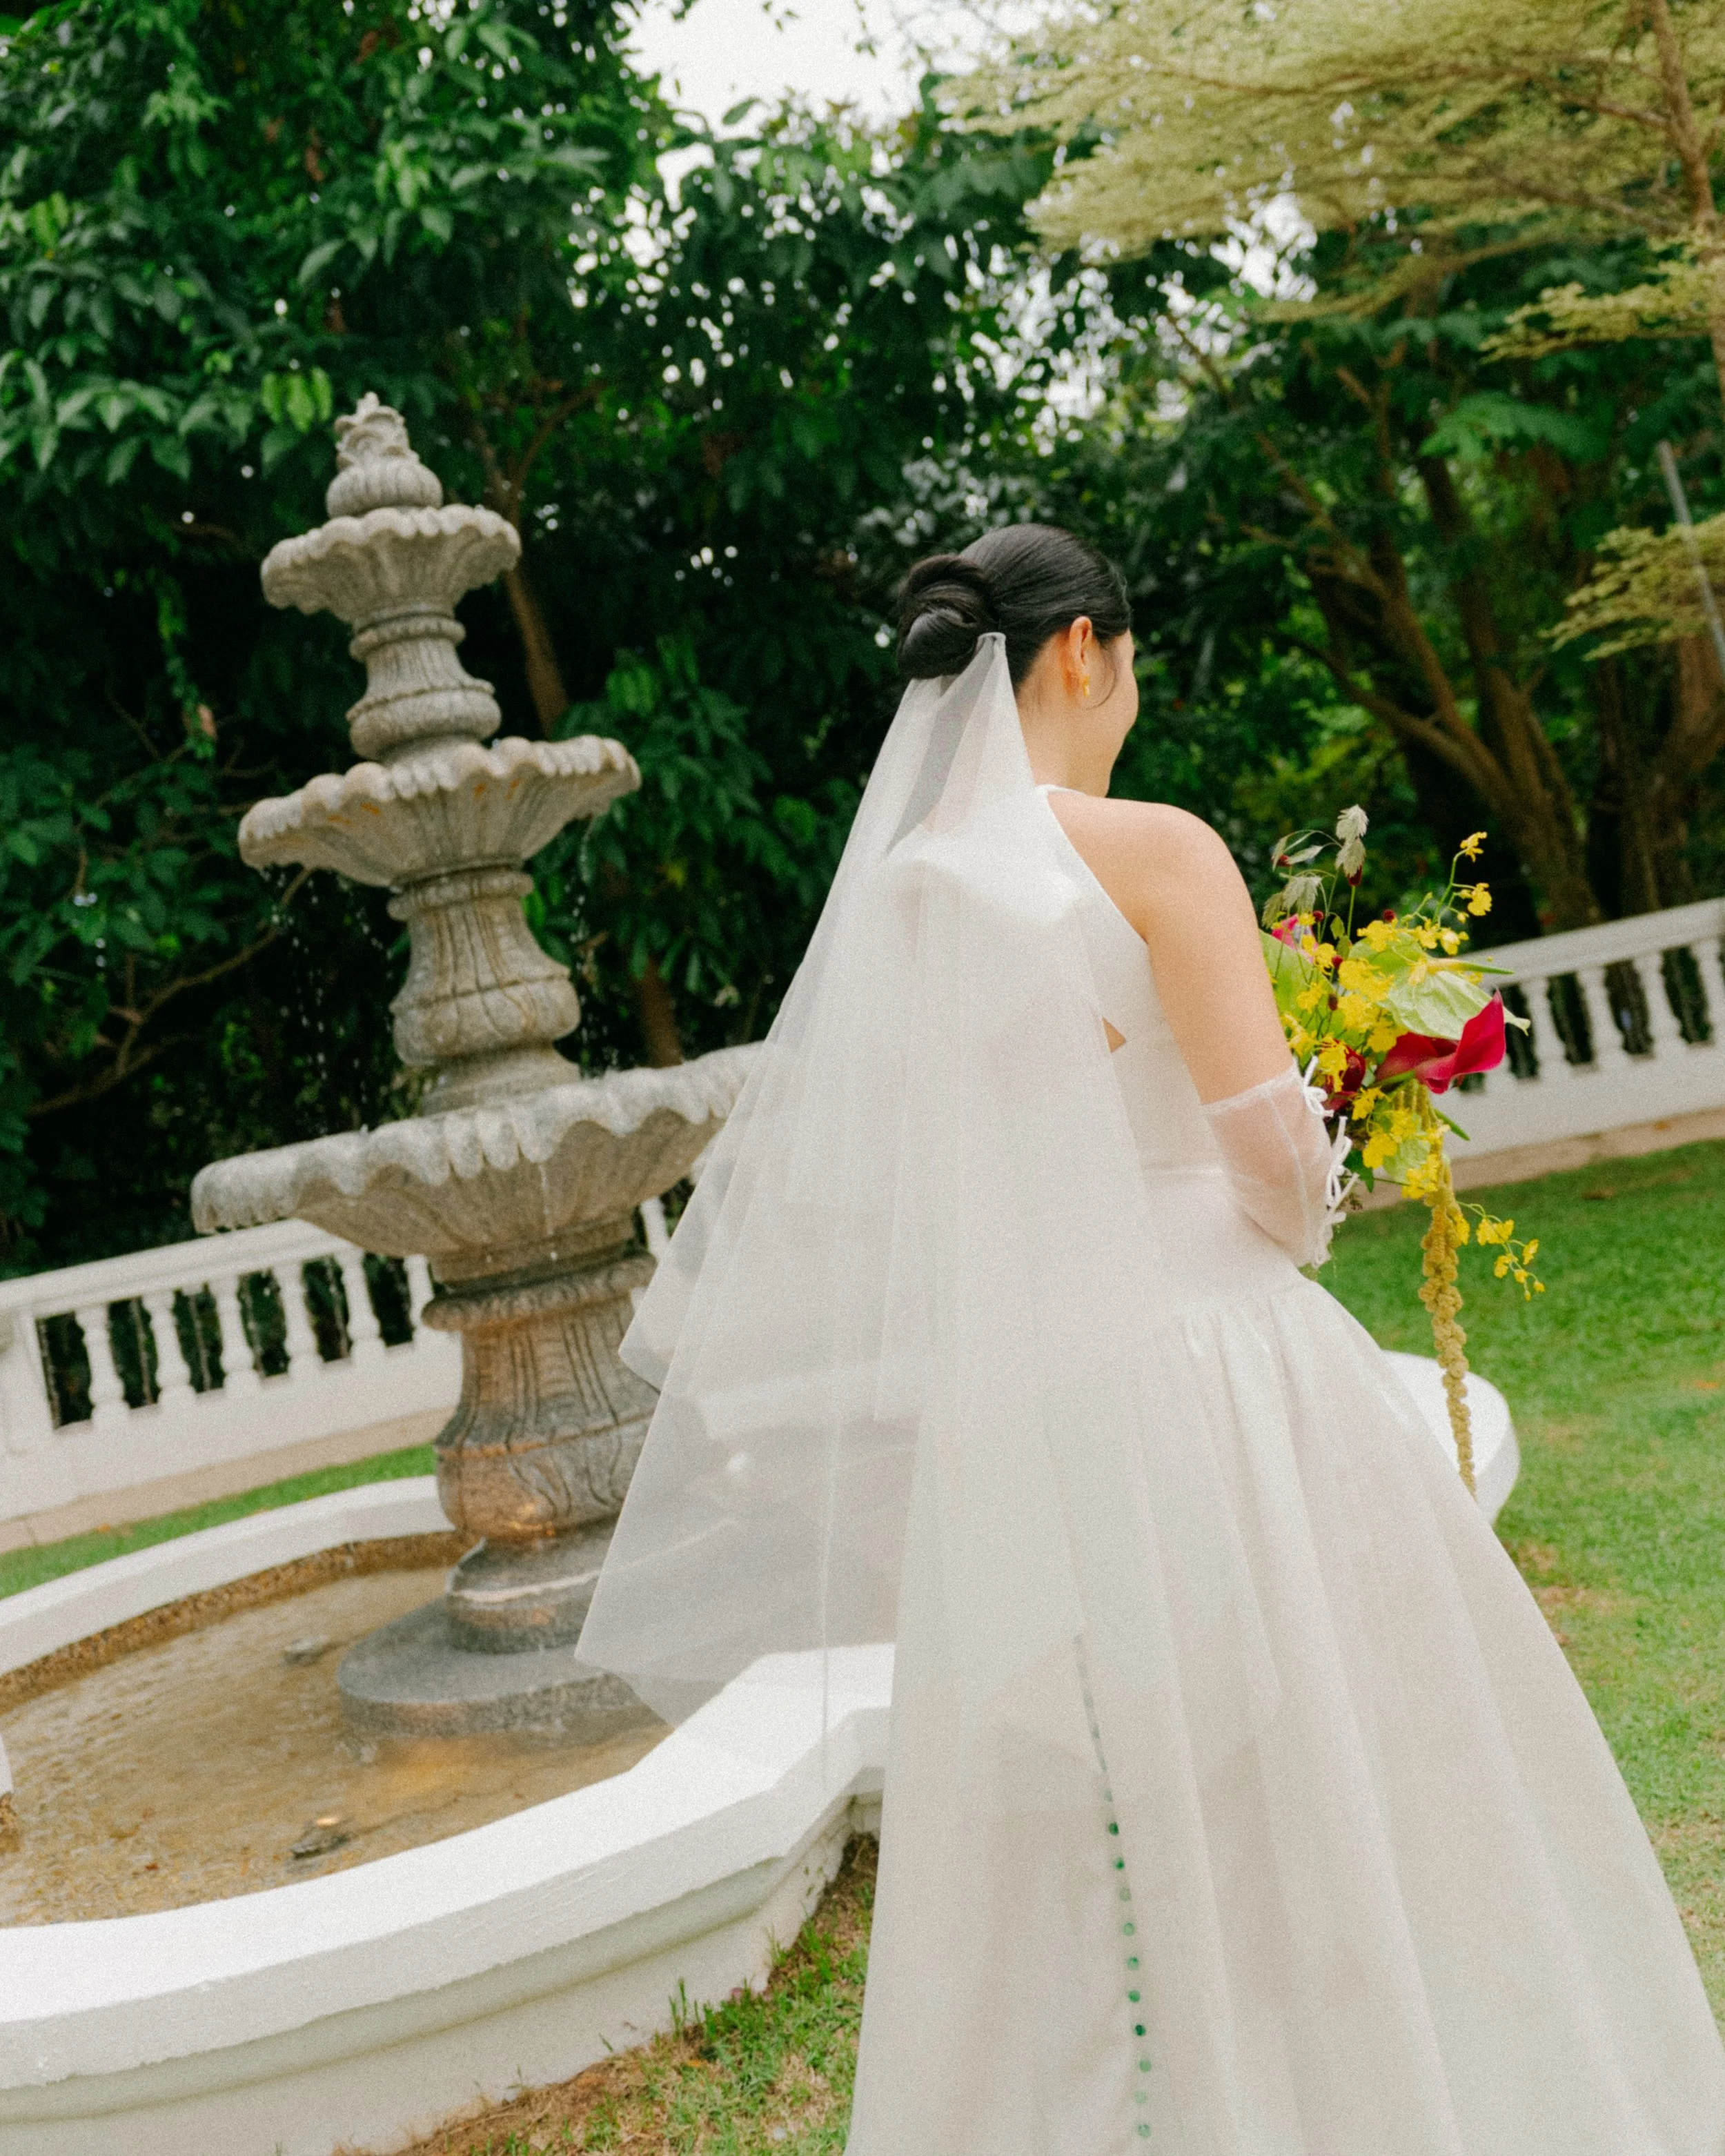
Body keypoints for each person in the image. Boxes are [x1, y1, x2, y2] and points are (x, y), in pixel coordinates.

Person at [578, 525, 1725, 2154]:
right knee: (1328, 1771)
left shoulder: (906, 892)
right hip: (1217, 1371)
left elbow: (961, 1178)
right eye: (1127, 663)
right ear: (1076, 654)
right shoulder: (1156, 850)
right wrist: (1322, 1161)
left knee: (1123, 1800)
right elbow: (1268, 1164)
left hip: (1029, 1406)